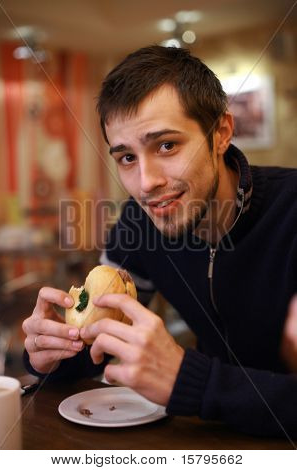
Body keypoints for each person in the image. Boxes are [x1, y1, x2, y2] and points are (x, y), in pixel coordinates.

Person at [23, 45, 297, 439]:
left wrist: (193, 382)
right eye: (126, 158)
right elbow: (100, 337)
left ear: (220, 133)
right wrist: (55, 354)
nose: (146, 183)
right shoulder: (139, 220)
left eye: (166, 145)